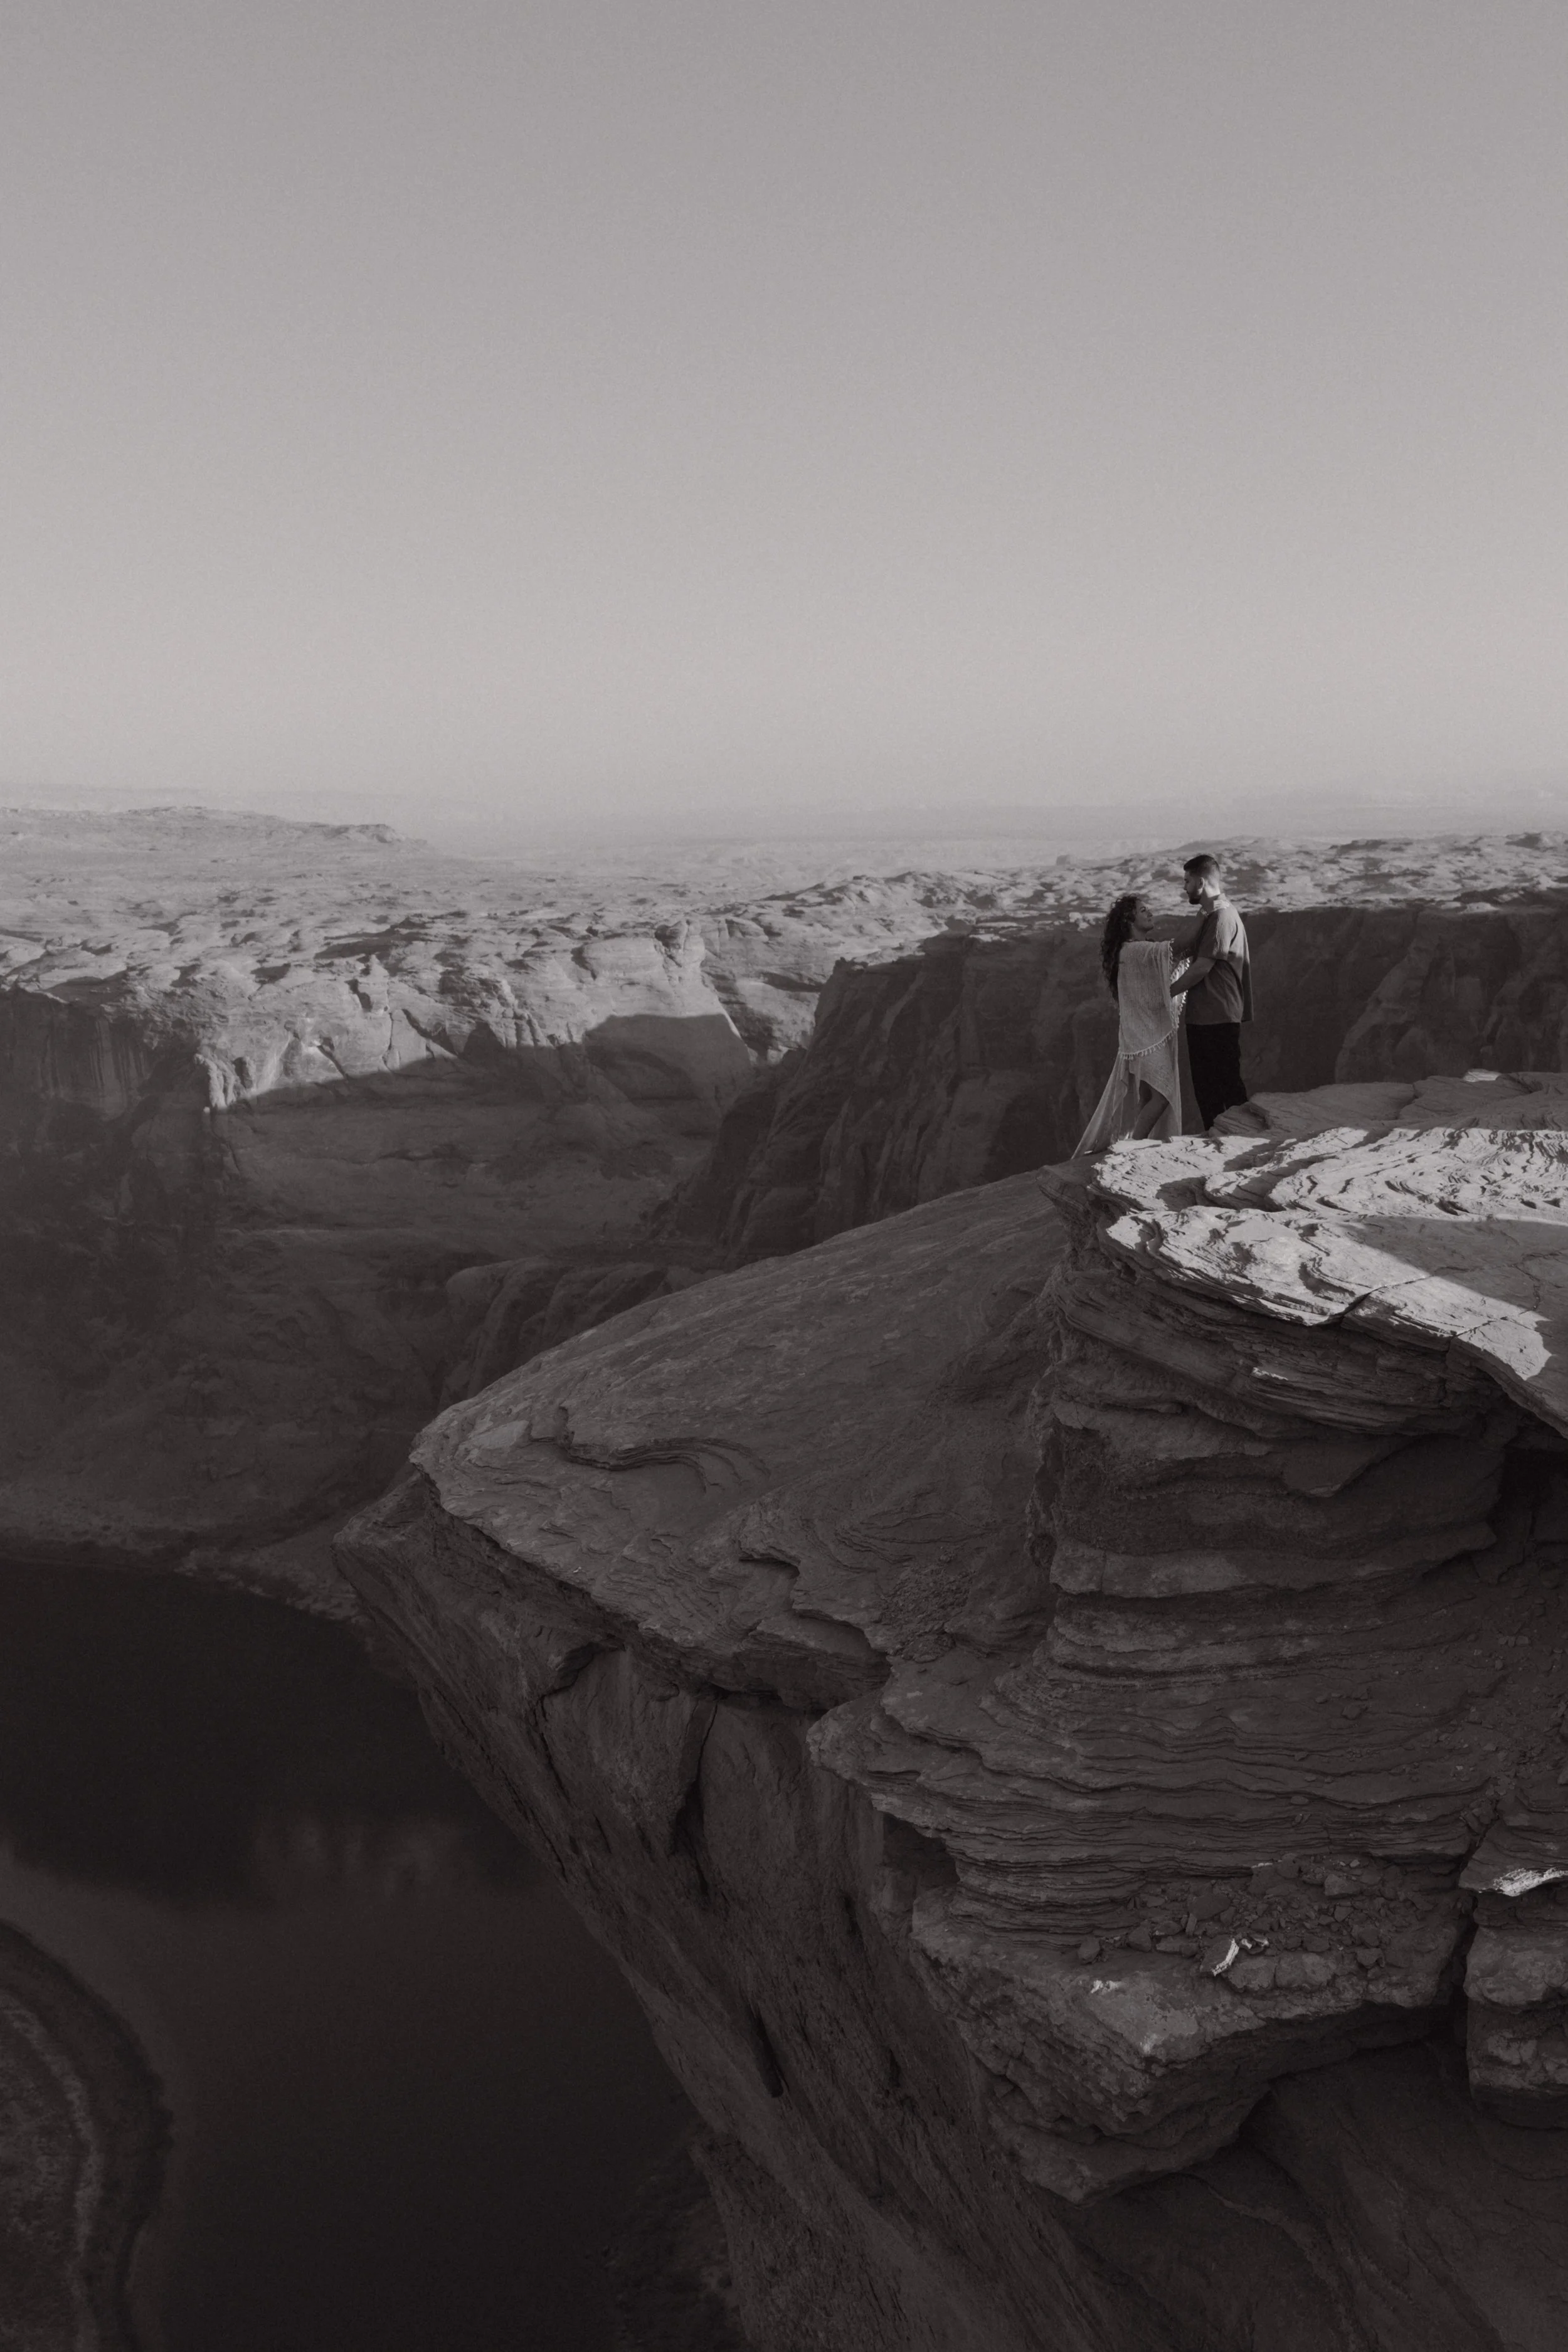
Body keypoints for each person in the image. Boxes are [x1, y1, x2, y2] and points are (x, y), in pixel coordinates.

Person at [1074, 893, 1184, 1154]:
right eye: (1143, 910)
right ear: (1129, 920)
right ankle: (1135, 1146)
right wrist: (1207, 916)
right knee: (1162, 1095)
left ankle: (1138, 1144)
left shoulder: (1133, 951)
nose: (1150, 913)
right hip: (1145, 1039)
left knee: (1147, 1097)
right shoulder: (1135, 951)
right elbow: (1177, 949)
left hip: (1139, 1037)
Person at [1170, 851, 1252, 1128]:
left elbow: (1202, 966)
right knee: (1209, 1087)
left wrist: (1166, 993)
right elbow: (1182, 947)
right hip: (1207, 1014)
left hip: (1215, 1015)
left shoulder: (1221, 916)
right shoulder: (1210, 913)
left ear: (1201, 882)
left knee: (1223, 1085)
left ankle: (1240, 1141)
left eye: (1188, 882)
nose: (1185, 888)